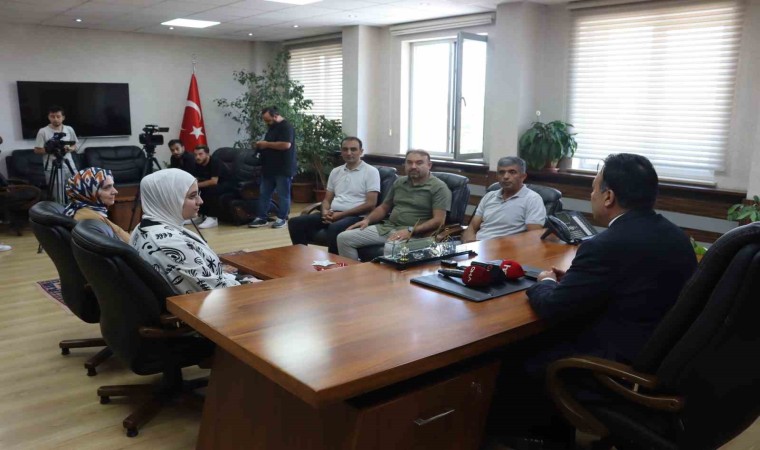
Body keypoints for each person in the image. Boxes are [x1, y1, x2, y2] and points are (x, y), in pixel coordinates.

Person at [495, 154, 698, 447]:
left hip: (611, 361)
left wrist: (546, 282)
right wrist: (579, 281)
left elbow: (552, 307)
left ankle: (528, 439)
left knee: (513, 352)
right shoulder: (676, 236)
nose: (591, 196)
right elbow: (635, 284)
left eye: (593, 189)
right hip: (657, 351)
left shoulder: (605, 245)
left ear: (608, 196)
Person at [130, 169, 255, 294]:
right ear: (169, 199)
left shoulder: (141, 228)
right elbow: (216, 290)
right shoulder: (169, 243)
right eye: (192, 196)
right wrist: (249, 282)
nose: (200, 201)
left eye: (198, 194)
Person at [337, 150, 451, 261]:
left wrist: (411, 230)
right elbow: (384, 207)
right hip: (388, 228)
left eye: (419, 163)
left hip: (416, 234)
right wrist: (367, 220)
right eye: (409, 162)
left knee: (391, 248)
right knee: (344, 238)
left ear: (429, 165)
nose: (413, 166)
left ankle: (382, 275)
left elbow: (439, 220)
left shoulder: (439, 188)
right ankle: (353, 272)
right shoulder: (400, 182)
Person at [288, 137, 380, 254]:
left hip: (357, 216)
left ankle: (333, 263)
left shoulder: (371, 172)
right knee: (295, 222)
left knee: (335, 227)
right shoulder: (336, 171)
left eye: (353, 149)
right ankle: (301, 258)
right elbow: (327, 200)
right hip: (333, 214)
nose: (349, 153)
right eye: (345, 149)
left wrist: (341, 215)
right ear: (341, 152)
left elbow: (371, 204)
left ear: (361, 152)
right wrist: (325, 212)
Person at [461, 156, 546, 243]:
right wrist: (469, 245)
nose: (505, 177)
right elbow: (472, 227)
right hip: (478, 245)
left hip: (506, 248)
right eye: (501, 172)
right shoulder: (489, 196)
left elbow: (533, 236)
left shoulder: (532, 199)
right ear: (497, 176)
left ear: (523, 176)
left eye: (512, 172)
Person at [248, 106, 296, 229]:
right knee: (264, 193)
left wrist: (266, 144)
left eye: (268, 120)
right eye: (265, 120)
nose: (267, 123)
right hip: (269, 167)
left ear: (275, 116)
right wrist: (261, 145)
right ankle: (262, 217)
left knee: (283, 195)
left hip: (283, 168)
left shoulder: (286, 127)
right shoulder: (272, 127)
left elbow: (286, 145)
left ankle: (282, 218)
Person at [64, 167, 130, 243]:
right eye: (107, 187)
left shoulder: (82, 210)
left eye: (112, 186)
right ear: (89, 192)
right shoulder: (89, 218)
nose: (115, 191)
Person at [34, 105, 79, 204]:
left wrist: (70, 148)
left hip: (68, 164)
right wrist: (49, 149)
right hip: (52, 166)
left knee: (74, 191)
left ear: (63, 117)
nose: (55, 119)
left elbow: (75, 145)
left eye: (58, 116)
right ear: (48, 117)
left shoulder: (69, 129)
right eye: (52, 116)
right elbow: (37, 150)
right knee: (58, 196)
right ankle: (59, 212)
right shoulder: (43, 131)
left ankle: (74, 210)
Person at [192, 145, 224, 229]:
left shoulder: (215, 162)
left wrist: (197, 185)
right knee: (196, 189)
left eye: (200, 154)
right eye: (195, 155)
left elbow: (214, 181)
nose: (197, 157)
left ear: (207, 154)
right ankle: (200, 215)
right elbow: (196, 178)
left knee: (211, 189)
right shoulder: (198, 163)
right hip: (213, 183)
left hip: (226, 183)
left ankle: (213, 218)